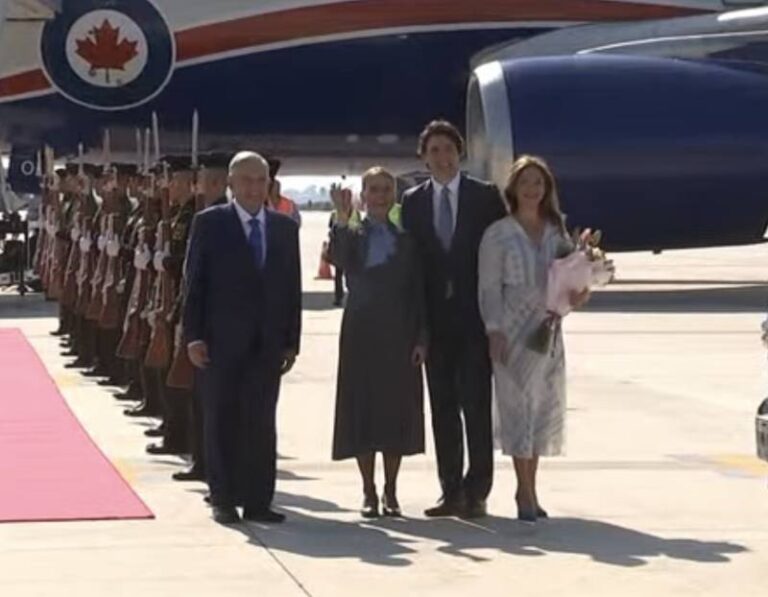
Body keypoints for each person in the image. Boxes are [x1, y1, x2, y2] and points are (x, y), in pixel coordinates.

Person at [184, 151, 302, 525]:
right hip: (221, 342)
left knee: (261, 423)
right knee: (221, 419)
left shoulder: (284, 228)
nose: (254, 188)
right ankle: (223, 497)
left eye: (260, 180)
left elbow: (291, 288)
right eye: (247, 180)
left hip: (267, 344)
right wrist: (193, 336)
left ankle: (258, 500)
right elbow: (195, 284)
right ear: (231, 184)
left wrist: (291, 340)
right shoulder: (210, 223)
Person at [401, 120, 506, 519]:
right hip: (434, 324)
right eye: (434, 151)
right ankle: (450, 491)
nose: (442, 158)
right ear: (424, 158)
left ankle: (477, 490)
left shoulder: (485, 197)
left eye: (448, 150)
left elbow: (501, 253)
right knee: (442, 408)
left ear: (459, 153)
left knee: (476, 407)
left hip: (476, 320)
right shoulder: (412, 202)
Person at [477, 155, 588, 523]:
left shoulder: (558, 233)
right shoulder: (498, 234)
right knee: (516, 409)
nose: (531, 189)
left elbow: (570, 282)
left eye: (538, 183)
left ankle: (532, 487)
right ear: (514, 188)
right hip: (512, 328)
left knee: (540, 410)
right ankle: (522, 490)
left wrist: (586, 279)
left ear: (546, 189)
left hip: (548, 329)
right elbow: (489, 287)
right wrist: (493, 328)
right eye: (525, 182)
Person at [329, 168, 427, 518]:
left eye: (387, 189)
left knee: (394, 412)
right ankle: (368, 490)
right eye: (374, 189)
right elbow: (339, 261)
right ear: (364, 194)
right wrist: (341, 221)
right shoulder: (352, 234)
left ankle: (391, 489)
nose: (381, 195)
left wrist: (421, 338)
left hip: (398, 332)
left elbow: (419, 293)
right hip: (361, 330)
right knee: (362, 410)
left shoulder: (408, 239)